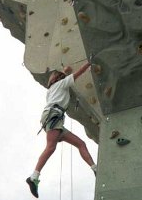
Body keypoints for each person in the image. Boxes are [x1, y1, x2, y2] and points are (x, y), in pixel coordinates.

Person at [26, 61, 97, 198]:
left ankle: (95, 169)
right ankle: (33, 177)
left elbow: (63, 76)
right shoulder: (62, 84)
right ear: (60, 78)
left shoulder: (53, 88)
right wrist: (89, 62)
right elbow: (78, 74)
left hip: (55, 117)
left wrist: (65, 71)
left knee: (80, 143)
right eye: (62, 76)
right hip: (54, 116)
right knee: (50, 147)